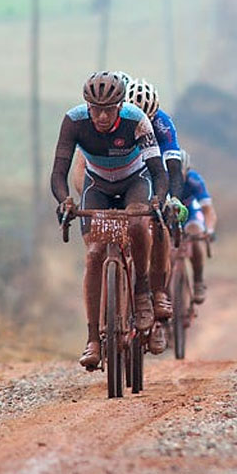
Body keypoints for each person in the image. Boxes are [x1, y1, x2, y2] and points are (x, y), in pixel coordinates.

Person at [51, 71, 170, 369]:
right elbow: (58, 173)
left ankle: (142, 291)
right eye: (96, 110)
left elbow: (158, 171)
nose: (102, 117)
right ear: (87, 107)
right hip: (98, 186)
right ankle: (93, 338)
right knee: (94, 254)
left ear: (120, 105)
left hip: (135, 181)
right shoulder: (74, 122)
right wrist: (65, 200)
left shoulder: (136, 120)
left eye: (108, 110)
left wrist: (158, 199)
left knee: (138, 223)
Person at [71, 75, 186, 355]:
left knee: (156, 225)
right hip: (106, 182)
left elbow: (170, 168)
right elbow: (81, 172)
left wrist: (170, 199)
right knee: (97, 251)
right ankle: (101, 326)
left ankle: (156, 298)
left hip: (144, 178)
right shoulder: (106, 123)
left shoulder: (160, 124)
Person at [179, 150, 217, 304]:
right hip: (169, 214)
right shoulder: (161, 177)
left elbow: (208, 211)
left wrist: (208, 230)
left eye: (178, 172)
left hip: (190, 214)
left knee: (195, 231)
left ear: (186, 171)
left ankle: (198, 281)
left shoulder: (194, 180)